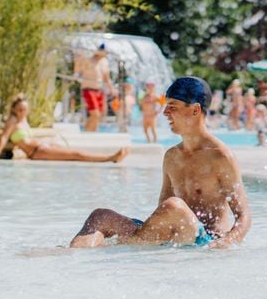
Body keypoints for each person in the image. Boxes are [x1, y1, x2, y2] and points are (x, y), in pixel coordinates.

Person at [70, 76, 250, 249]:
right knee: (100, 216)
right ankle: (72, 256)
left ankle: (127, 244)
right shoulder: (172, 156)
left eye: (172, 106)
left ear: (195, 110)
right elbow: (161, 213)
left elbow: (244, 217)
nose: (165, 113)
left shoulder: (221, 157)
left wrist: (226, 242)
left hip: (204, 239)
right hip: (172, 233)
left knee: (174, 206)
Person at [0, 94, 130, 163]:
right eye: (19, 109)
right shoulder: (12, 120)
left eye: (24, 109)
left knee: (74, 152)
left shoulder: (23, 119)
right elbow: (4, 137)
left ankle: (110, 157)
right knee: (76, 154)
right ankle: (110, 158)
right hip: (37, 152)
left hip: (42, 147)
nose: (22, 112)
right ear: (14, 109)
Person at [75, 43, 116, 132]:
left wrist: (112, 89)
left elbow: (107, 78)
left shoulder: (104, 62)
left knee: (98, 116)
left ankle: (89, 132)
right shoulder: (88, 60)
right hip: (88, 89)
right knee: (95, 114)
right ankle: (87, 133)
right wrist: (78, 57)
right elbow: (77, 70)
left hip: (99, 90)